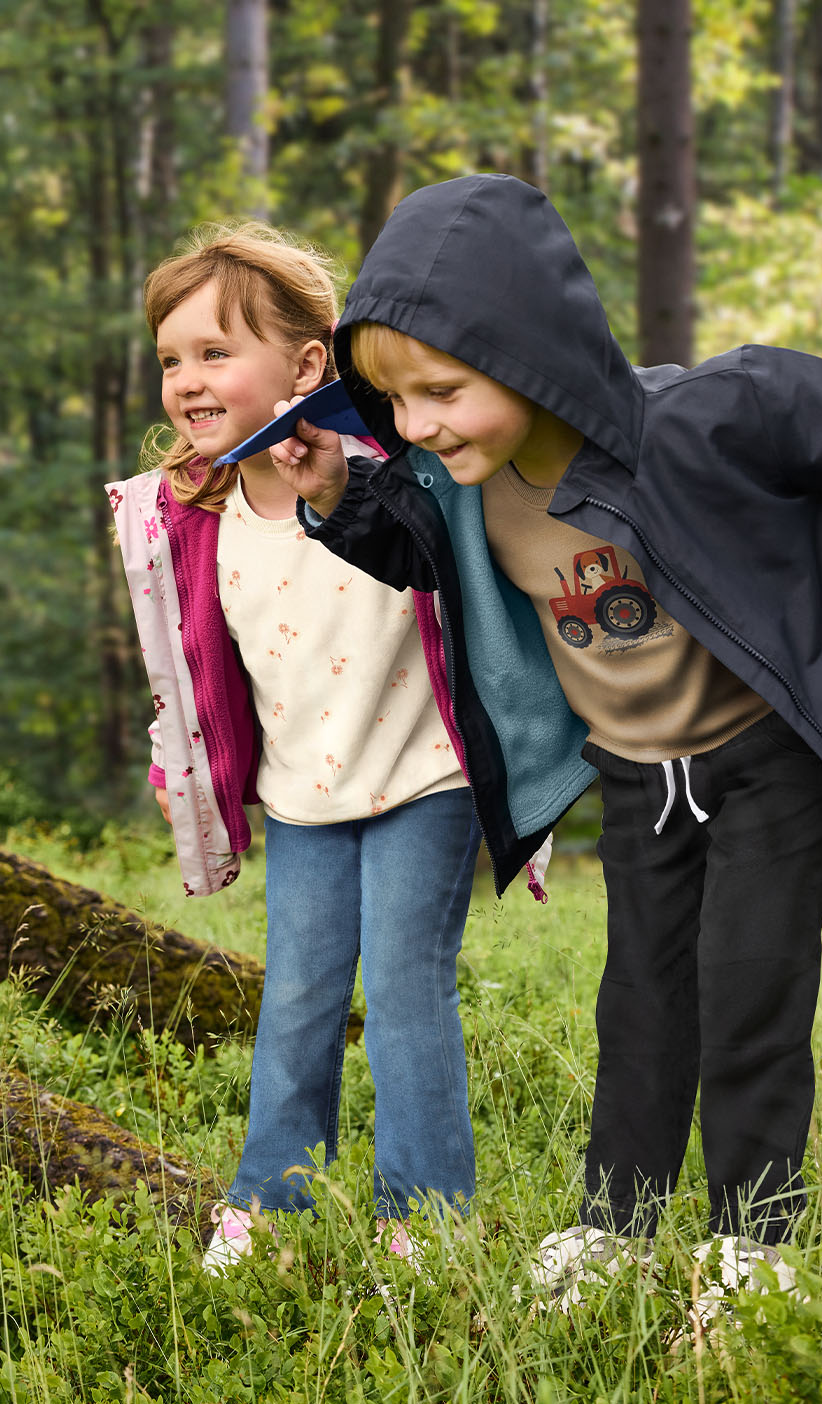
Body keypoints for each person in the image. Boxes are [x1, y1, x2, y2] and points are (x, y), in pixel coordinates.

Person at [269, 173, 822, 1317]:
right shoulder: (461, 486)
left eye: (443, 390)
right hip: (636, 776)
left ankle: (753, 1244)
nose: (416, 425)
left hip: (762, 762)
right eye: (395, 400)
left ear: (528, 355)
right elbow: (421, 554)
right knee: (638, 999)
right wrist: (336, 494)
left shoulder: (712, 420)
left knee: (749, 990)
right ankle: (615, 1224)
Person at [107, 222, 486, 1275]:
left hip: (424, 776)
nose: (188, 379)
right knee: (299, 996)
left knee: (407, 989)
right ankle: (269, 1204)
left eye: (215, 352)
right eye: (172, 358)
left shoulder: (391, 469)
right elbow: (184, 663)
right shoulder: (188, 513)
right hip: (303, 795)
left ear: (310, 362)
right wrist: (183, 766)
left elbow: (461, 578)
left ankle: (425, 1218)